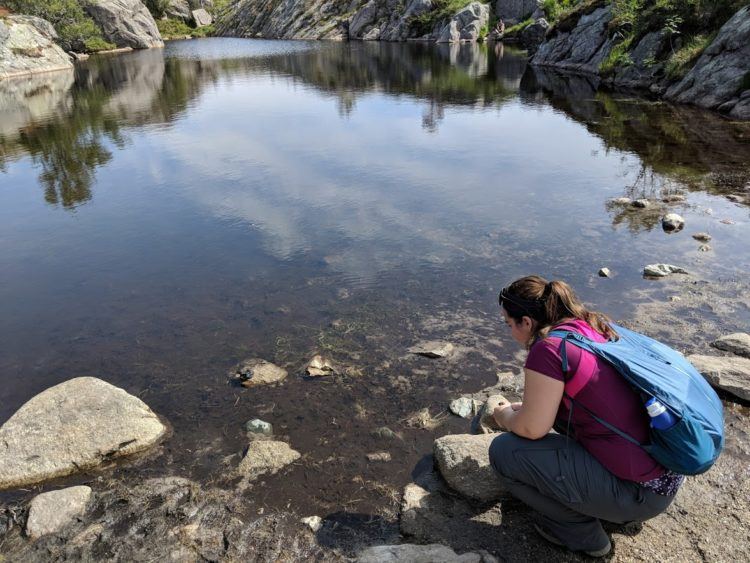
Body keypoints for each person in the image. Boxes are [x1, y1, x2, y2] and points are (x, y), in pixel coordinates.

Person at [489, 275, 683, 557]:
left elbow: (532, 430)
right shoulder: (590, 326)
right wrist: (534, 406)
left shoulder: (547, 351)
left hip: (641, 494)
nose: (510, 331)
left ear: (527, 322)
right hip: (665, 475)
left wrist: (504, 416)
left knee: (504, 452)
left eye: (509, 324)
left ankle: (582, 534)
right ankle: (610, 505)